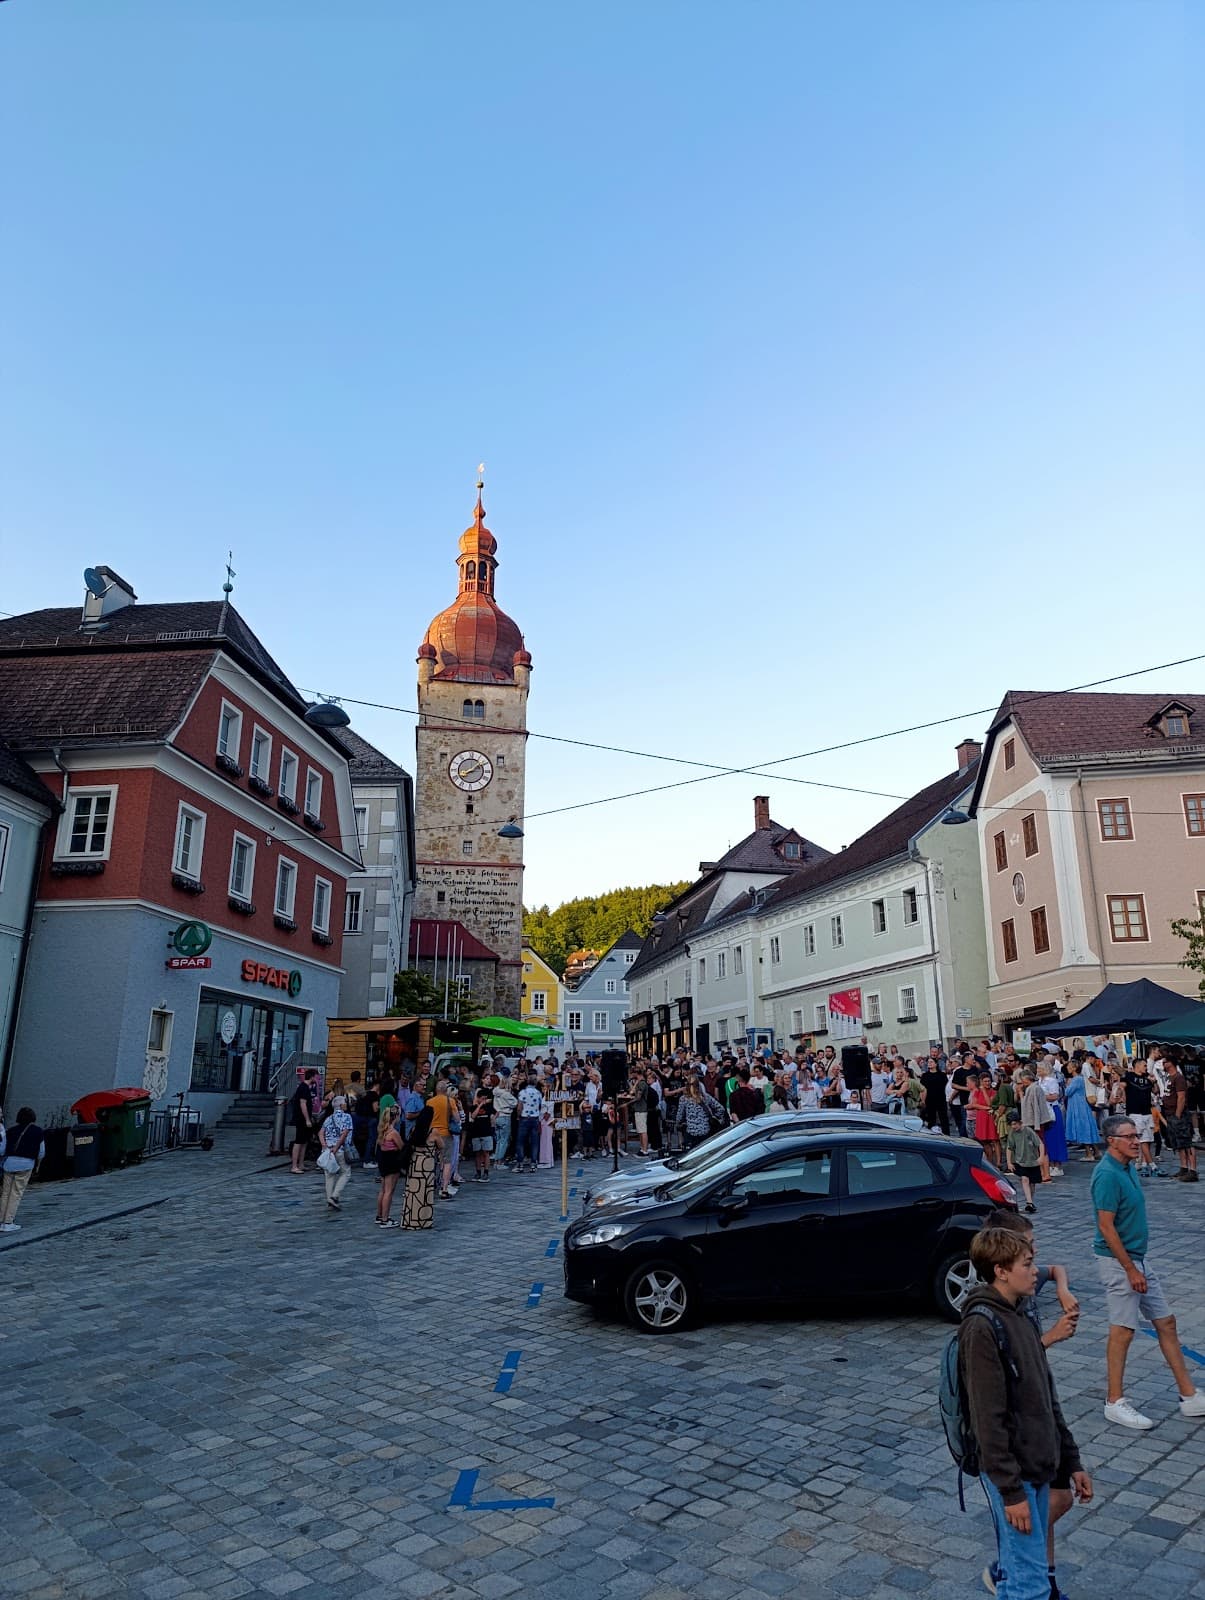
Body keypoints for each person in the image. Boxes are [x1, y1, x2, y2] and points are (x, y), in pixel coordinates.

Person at [959, 1226, 1092, 1600]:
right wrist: (1011, 1491)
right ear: (1001, 1271)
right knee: (1028, 1585)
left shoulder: (1022, 1316)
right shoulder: (982, 1327)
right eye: (1027, 1264)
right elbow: (988, 1418)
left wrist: (1071, 1461)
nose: (1036, 1272)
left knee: (1020, 1580)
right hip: (1016, 1473)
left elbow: (1046, 1399)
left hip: (1037, 1465)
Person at [1091, 1113, 1205, 1429]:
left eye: (1136, 1135)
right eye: (1129, 1136)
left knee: (1166, 1321)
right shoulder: (1107, 1175)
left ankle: (1189, 1394)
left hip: (1137, 1259)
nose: (1136, 1140)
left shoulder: (1127, 1167)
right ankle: (1114, 1401)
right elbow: (1105, 1226)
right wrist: (1130, 1269)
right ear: (1112, 1141)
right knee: (1123, 1329)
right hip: (1120, 1263)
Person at [0, 1107, 45, 1232]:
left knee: (5, 1193)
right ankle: (8, 1222)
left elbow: (3, 1150)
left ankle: (1, 1220)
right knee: (16, 1193)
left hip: (9, 1164)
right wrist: (38, 1164)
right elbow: (41, 1152)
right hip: (26, 1164)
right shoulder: (38, 1131)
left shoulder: (11, 1131)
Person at [1160, 1056, 1198, 1182]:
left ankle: (1193, 1170)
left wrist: (1178, 1114)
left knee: (1186, 1142)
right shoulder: (1168, 1078)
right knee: (1178, 1143)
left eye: (1165, 1062)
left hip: (1179, 1115)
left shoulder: (1179, 1078)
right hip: (1170, 1113)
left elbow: (1181, 1097)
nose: (1163, 1064)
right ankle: (1184, 1168)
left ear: (1171, 1063)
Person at [401, 1098, 436, 1229]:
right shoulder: (433, 1132)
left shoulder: (414, 1129)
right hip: (426, 1164)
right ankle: (423, 1220)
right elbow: (441, 1145)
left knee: (413, 1191)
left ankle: (410, 1220)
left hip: (414, 1162)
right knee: (425, 1192)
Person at [1121, 1058, 1159, 1175]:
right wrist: (1121, 1096)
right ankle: (1151, 1165)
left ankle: (1143, 1164)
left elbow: (1156, 1091)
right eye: (1144, 1065)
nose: (1146, 1067)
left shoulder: (1148, 1077)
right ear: (1137, 1066)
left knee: (1148, 1139)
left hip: (1147, 1112)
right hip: (1135, 1112)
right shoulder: (1129, 1076)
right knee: (1141, 1140)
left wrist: (1154, 1082)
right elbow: (1122, 1086)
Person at [319, 1095, 354, 1211]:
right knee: (346, 1172)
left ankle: (329, 1199)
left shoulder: (329, 1118)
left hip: (328, 1151)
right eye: (345, 1103)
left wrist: (324, 1145)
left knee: (329, 1175)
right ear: (341, 1105)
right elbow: (344, 1134)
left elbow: (321, 1133)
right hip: (340, 1150)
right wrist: (336, 1147)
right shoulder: (347, 1117)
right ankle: (335, 1196)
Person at [374, 1104, 406, 1228]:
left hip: (383, 1160)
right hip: (392, 1162)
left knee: (383, 1190)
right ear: (396, 1116)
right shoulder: (393, 1133)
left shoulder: (382, 1130)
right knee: (389, 1191)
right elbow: (402, 1147)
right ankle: (385, 1219)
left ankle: (379, 1215)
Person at [1004, 1111, 1043, 1214]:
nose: (1013, 1127)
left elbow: (1040, 1143)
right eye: (1011, 1124)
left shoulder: (1028, 1131)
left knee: (1032, 1183)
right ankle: (1029, 1202)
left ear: (1019, 1122)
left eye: (1015, 1124)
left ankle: (1030, 1202)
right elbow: (1009, 1147)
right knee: (1025, 1179)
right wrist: (1009, 1162)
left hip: (1032, 1161)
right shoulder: (1012, 1133)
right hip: (1021, 1161)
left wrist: (1041, 1157)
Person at [1061, 1061, 1100, 1162]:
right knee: (1087, 1127)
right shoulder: (1080, 1078)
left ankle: (1089, 1154)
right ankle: (1096, 1151)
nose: (1068, 1068)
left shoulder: (1076, 1079)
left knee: (1082, 1127)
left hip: (1078, 1106)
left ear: (1074, 1068)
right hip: (1082, 1104)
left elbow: (1068, 1092)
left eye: (1069, 1066)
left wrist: (1067, 1085)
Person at [289, 1069, 319, 1174]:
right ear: (312, 1077)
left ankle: (301, 1164)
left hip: (305, 1118)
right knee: (299, 1141)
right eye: (316, 1076)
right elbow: (303, 1104)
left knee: (304, 1141)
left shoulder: (305, 1087)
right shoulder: (303, 1088)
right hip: (301, 1119)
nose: (317, 1079)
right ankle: (294, 1166)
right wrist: (307, 1119)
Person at [968, 1072, 1000, 1167]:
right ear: (981, 1082)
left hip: (990, 1117)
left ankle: (998, 1162)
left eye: (989, 1081)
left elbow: (989, 1103)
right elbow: (974, 1104)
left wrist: (984, 1092)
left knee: (995, 1139)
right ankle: (990, 1161)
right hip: (981, 1117)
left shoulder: (993, 1092)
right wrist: (986, 1108)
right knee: (984, 1140)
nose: (987, 1083)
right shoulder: (977, 1092)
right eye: (985, 1081)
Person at [467, 1086, 496, 1181]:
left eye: (485, 1099)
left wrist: (493, 1120)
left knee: (486, 1153)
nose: (484, 1101)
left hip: (487, 1132)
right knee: (478, 1153)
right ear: (478, 1098)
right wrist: (479, 1106)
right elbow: (473, 1116)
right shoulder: (473, 1107)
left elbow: (496, 1113)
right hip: (476, 1133)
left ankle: (486, 1172)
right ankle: (478, 1172)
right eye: (482, 1099)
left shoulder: (489, 1107)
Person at [515, 1076, 543, 1172]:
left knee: (520, 1141)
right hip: (535, 1118)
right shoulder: (538, 1093)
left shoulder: (522, 1092)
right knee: (534, 1142)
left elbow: (519, 1107)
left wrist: (518, 1116)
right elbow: (540, 1106)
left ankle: (520, 1164)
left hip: (524, 1117)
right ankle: (533, 1164)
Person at [920, 1057, 950, 1135]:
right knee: (931, 1119)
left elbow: (946, 1086)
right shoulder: (925, 1075)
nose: (929, 1063)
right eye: (928, 1062)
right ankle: (931, 1135)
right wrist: (922, 1100)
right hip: (929, 1100)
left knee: (944, 1118)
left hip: (941, 1099)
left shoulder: (942, 1075)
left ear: (936, 1064)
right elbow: (922, 1088)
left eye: (931, 1062)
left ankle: (947, 1134)